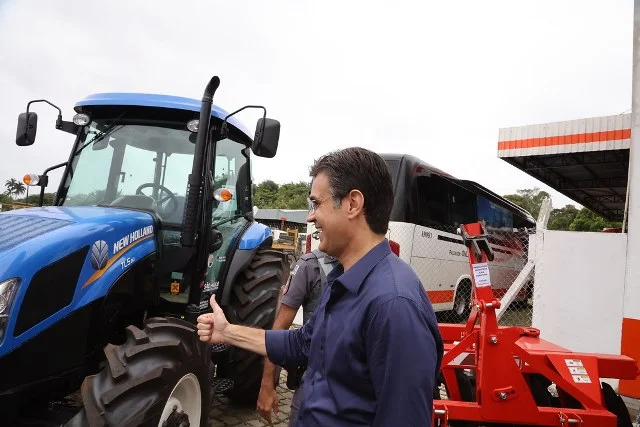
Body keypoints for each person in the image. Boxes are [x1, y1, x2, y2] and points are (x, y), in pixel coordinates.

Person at [198, 147, 444, 426]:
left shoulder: (394, 304)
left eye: (316, 203)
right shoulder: (342, 278)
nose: (309, 217)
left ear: (352, 204)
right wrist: (227, 332)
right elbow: (302, 343)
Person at [256, 249, 338, 425]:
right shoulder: (310, 266)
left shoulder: (375, 269)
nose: (312, 220)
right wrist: (267, 384)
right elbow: (279, 329)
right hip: (314, 382)